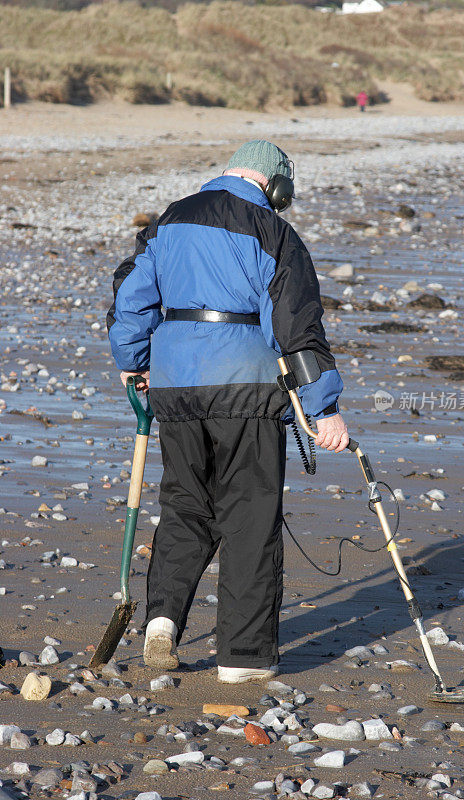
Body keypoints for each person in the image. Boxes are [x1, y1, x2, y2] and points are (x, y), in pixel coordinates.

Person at [107, 140, 349, 683]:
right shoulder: (274, 232)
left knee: (185, 505)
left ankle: (162, 622)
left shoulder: (168, 221)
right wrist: (323, 408)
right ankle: (242, 659)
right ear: (274, 185)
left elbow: (131, 299)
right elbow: (297, 327)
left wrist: (133, 362)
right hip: (246, 389)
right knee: (250, 517)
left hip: (176, 389)